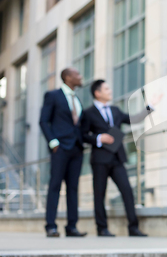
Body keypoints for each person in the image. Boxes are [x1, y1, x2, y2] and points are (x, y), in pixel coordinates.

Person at [80, 79, 157, 237]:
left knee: (127, 191)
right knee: (99, 195)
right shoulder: (88, 113)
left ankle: (133, 228)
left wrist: (150, 107)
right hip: (99, 160)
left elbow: (134, 119)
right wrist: (99, 138)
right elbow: (82, 135)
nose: (110, 91)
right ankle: (102, 229)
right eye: (106, 88)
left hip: (117, 159)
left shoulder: (115, 110)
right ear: (97, 93)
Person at [39, 68, 87, 237]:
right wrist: (53, 142)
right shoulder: (53, 96)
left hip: (76, 149)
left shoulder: (77, 99)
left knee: (73, 188)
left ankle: (71, 226)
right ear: (68, 77)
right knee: (55, 186)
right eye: (78, 74)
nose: (81, 76)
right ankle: (51, 225)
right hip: (60, 148)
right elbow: (44, 121)